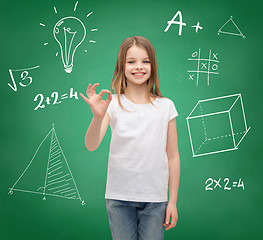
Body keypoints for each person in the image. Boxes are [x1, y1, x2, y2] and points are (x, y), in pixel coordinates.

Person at [80, 36, 180, 240]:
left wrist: (172, 202)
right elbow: (91, 145)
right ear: (121, 66)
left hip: (155, 199)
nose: (139, 67)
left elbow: (173, 156)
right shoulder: (113, 103)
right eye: (131, 61)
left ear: (153, 65)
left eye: (145, 61)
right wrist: (98, 117)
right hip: (119, 197)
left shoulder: (166, 106)